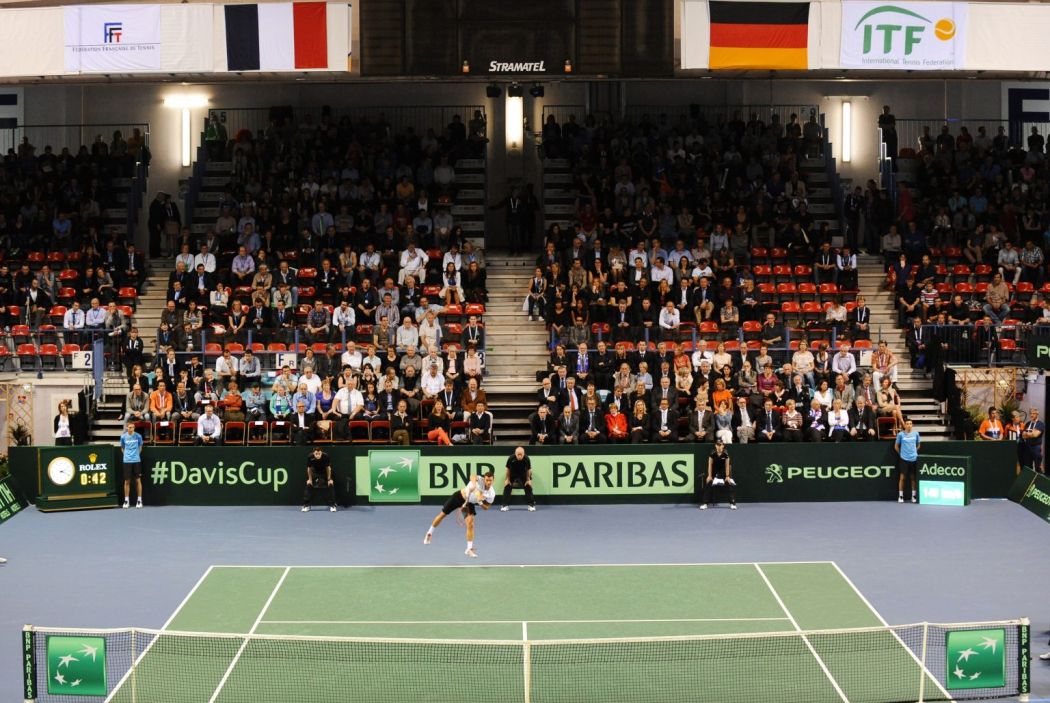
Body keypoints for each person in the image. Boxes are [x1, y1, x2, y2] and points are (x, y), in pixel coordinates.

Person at [423, 472, 496, 557]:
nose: (489, 482)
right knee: (442, 515)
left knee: (470, 523)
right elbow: (473, 475)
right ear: (484, 479)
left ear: (493, 480)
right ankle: (429, 533)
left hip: (468, 504)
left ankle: (469, 549)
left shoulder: (491, 493)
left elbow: (486, 507)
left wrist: (480, 502)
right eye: (487, 480)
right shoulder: (479, 480)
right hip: (458, 497)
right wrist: (473, 485)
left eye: (490, 480)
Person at [700, 439, 737, 510]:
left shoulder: (726, 454)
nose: (719, 446)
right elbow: (710, 465)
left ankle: (732, 503)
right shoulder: (712, 454)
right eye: (717, 445)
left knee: (729, 483)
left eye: (720, 445)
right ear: (715, 446)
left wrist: (727, 476)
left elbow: (727, 465)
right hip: (714, 473)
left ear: (723, 446)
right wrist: (710, 476)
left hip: (723, 473)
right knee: (708, 483)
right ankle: (705, 503)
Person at [500, 446, 536, 512]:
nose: (519, 456)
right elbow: (508, 469)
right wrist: (507, 479)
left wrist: (528, 479)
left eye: (521, 454)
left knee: (528, 485)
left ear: (524, 454)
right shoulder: (511, 458)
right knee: (507, 485)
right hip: (513, 474)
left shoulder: (527, 458)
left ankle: (531, 505)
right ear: (515, 454)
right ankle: (504, 505)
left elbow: (528, 470)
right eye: (518, 454)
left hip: (523, 474)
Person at [301, 447, 336, 513]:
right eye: (316, 454)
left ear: (321, 453)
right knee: (309, 485)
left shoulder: (326, 456)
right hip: (315, 473)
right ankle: (306, 505)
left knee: (331, 484)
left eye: (319, 453)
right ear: (313, 453)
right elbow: (309, 469)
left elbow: (328, 468)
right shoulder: (310, 457)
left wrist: (329, 479)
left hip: (324, 473)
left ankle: (332, 505)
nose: (317, 455)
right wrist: (310, 479)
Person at [894, 418, 921, 503]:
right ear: (904, 425)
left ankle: (914, 496)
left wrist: (914, 452)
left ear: (912, 425)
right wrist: (901, 455)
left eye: (910, 424)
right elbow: (896, 446)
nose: (909, 425)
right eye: (907, 424)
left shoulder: (916, 434)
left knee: (913, 478)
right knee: (902, 478)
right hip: (904, 459)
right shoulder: (900, 434)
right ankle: (901, 496)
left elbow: (918, 445)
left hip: (914, 459)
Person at [120, 421, 144, 509]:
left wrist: (136, 455)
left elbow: (140, 447)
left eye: (132, 427)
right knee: (127, 481)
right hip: (126, 461)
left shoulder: (138, 436)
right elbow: (122, 448)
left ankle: (139, 500)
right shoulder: (123, 437)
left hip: (136, 460)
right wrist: (127, 456)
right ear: (126, 428)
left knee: (138, 481)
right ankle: (126, 500)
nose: (131, 429)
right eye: (129, 427)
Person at [1021, 408, 1045, 473]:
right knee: (1028, 466)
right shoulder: (1028, 424)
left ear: (1037, 414)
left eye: (1033, 413)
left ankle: (1039, 482)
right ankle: (1030, 482)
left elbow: (1035, 435)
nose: (1032, 415)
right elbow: (1023, 435)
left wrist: (1027, 433)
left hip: (1036, 447)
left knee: (1038, 466)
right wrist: (1031, 433)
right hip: (1027, 447)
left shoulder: (1040, 424)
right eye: (1031, 413)